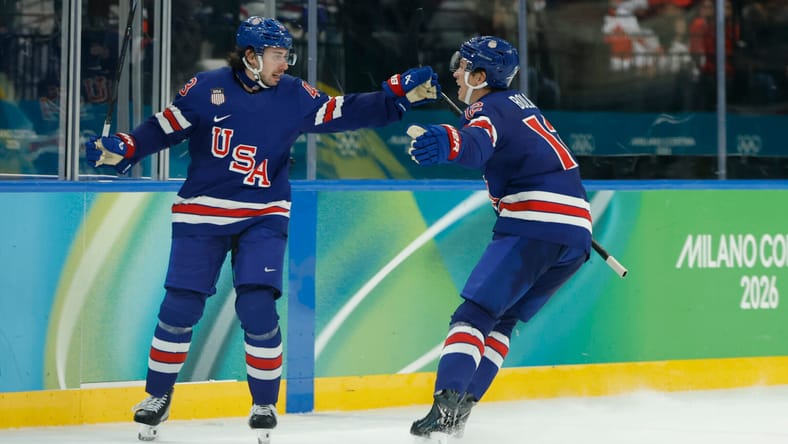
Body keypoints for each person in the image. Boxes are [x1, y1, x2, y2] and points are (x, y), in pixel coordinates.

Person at [84, 16, 439, 444]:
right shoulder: (205, 88)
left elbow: (339, 111)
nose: (284, 64)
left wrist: (393, 98)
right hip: (202, 212)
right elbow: (162, 129)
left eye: (287, 55)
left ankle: (264, 403)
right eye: (277, 56)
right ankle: (157, 396)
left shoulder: (293, 94)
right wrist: (124, 148)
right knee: (180, 307)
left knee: (257, 307)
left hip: (263, 213)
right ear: (250, 56)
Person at [405, 35, 591, 442]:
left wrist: (448, 141)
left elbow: (475, 145)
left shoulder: (487, 109)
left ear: (480, 76)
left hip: (535, 223)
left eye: (463, 66)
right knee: (502, 321)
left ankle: (445, 406)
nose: (456, 72)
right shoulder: (520, 105)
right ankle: (460, 413)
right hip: (576, 233)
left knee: (474, 314)